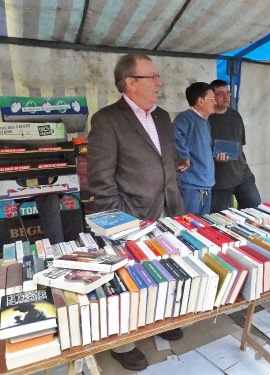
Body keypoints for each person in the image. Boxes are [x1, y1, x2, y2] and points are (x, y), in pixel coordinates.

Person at [88, 54, 185, 371]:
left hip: (168, 210)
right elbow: (101, 180)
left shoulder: (163, 117)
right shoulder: (107, 120)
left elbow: (164, 161)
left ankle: (161, 319)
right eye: (152, 77)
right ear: (130, 82)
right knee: (129, 281)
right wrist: (116, 226)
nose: (159, 83)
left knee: (167, 271)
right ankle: (124, 341)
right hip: (129, 217)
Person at [208, 80, 261, 212]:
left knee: (254, 208)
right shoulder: (206, 119)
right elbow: (201, 152)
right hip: (219, 180)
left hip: (242, 174)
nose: (226, 97)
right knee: (217, 219)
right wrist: (214, 158)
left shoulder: (235, 115)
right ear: (212, 96)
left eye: (227, 93)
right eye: (220, 93)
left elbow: (240, 145)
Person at [173, 82, 220, 215]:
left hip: (206, 183)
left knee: (202, 226)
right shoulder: (185, 118)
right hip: (191, 186)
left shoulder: (205, 122)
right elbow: (174, 133)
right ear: (200, 101)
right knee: (188, 226)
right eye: (212, 99)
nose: (215, 103)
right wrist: (184, 157)